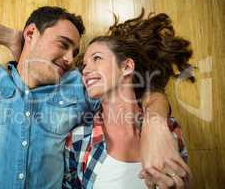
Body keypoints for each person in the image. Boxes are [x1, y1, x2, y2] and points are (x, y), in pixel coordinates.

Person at [0, 0, 190, 188]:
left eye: (75, 53)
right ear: (31, 33)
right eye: (63, 45)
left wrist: (156, 126)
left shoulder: (80, 86)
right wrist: (6, 36)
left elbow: (142, 89)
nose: (69, 59)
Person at [64, 11, 193, 189]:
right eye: (84, 65)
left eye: (97, 58)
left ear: (126, 66)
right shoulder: (78, 140)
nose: (85, 70)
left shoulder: (169, 129)